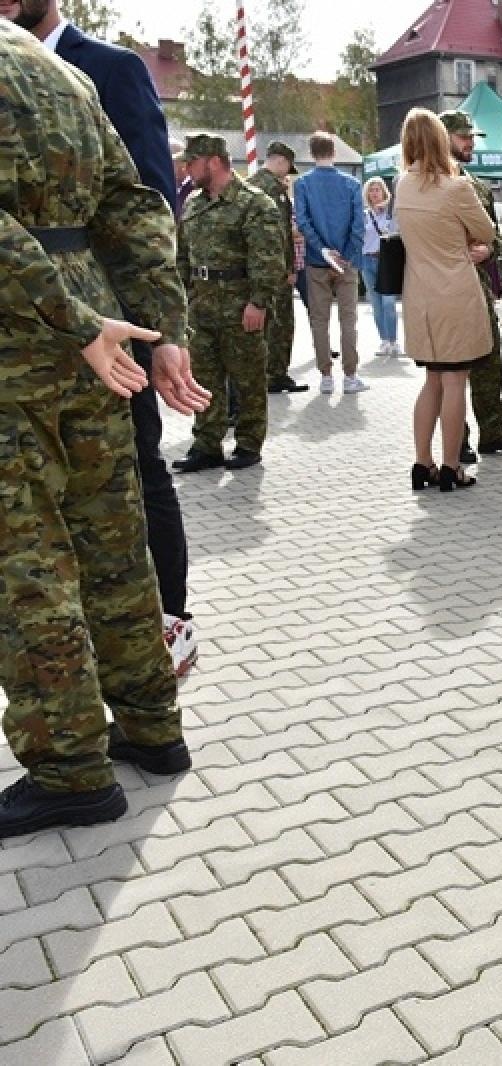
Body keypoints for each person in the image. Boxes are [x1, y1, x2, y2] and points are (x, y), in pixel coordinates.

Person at [0, 18, 209, 838]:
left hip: (26, 336)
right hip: (101, 336)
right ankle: (152, 727)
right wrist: (161, 328)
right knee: (112, 536)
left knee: (27, 564)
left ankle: (70, 769)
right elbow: (134, 203)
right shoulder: (58, 72)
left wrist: (73, 320)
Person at [393, 109, 498, 493]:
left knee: (432, 381)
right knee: (456, 381)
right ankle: (452, 466)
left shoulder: (402, 185)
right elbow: (486, 230)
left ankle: (422, 462)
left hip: (419, 294)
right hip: (455, 291)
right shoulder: (457, 188)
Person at [171, 133, 283, 473]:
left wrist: (259, 302)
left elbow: (268, 259)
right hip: (202, 306)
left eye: (192, 162)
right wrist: (181, 298)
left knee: (247, 377)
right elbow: (183, 257)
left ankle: (249, 443)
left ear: (214, 161)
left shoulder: (254, 202)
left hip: (240, 305)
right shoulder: (193, 203)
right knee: (204, 378)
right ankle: (207, 444)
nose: (187, 169)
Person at [441, 109, 502, 458]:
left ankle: (492, 431)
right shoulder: (428, 184)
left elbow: (494, 233)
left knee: (489, 360)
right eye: (463, 137)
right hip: (446, 288)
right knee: (451, 369)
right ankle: (456, 439)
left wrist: (488, 248)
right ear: (443, 137)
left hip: (477, 286)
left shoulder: (475, 184)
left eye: (471, 138)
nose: (469, 145)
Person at [293, 131, 369, 395]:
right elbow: (358, 225)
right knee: (348, 319)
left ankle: (325, 375)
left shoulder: (302, 184)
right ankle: (350, 375)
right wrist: (346, 254)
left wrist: (323, 250)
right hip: (347, 261)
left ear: (312, 153)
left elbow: (302, 222)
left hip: (316, 260)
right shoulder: (352, 185)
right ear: (334, 152)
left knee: (319, 320)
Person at [251, 141, 308, 395]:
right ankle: (275, 374)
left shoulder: (250, 184)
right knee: (281, 324)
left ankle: (263, 373)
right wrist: (289, 268)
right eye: (287, 168)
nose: (287, 174)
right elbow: (279, 235)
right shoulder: (274, 190)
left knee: (263, 325)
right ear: (281, 161)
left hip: (255, 268)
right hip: (276, 269)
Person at [359, 176, 401, 357]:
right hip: (367, 259)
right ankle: (384, 340)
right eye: (371, 190)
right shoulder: (364, 215)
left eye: (378, 189)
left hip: (386, 260)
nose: (374, 193)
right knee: (376, 303)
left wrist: (386, 207)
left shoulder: (392, 214)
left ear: (384, 191)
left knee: (389, 302)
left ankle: (394, 340)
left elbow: (397, 232)